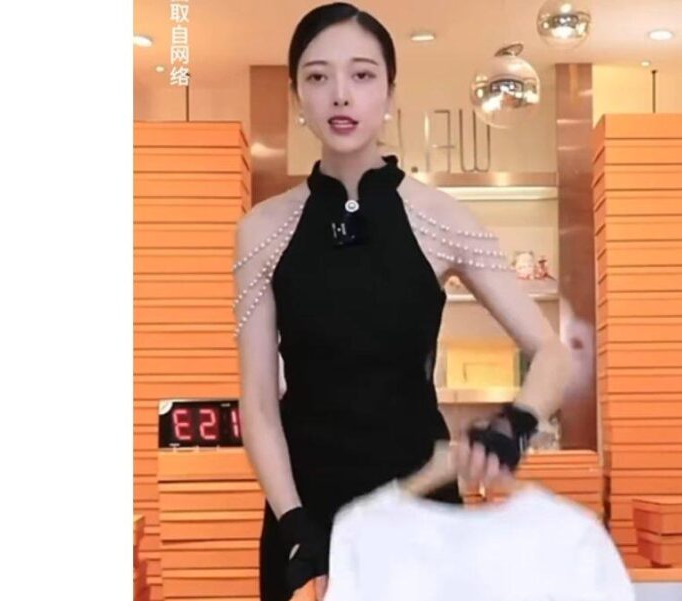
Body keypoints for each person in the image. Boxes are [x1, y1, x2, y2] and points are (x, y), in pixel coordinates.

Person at [232, 3, 573, 600]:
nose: (341, 94)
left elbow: (553, 351)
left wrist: (514, 426)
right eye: (318, 76)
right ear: (297, 95)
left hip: (421, 506)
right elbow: (259, 403)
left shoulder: (441, 218)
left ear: (390, 90)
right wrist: (295, 527)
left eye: (362, 75)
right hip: (304, 513)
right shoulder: (262, 229)